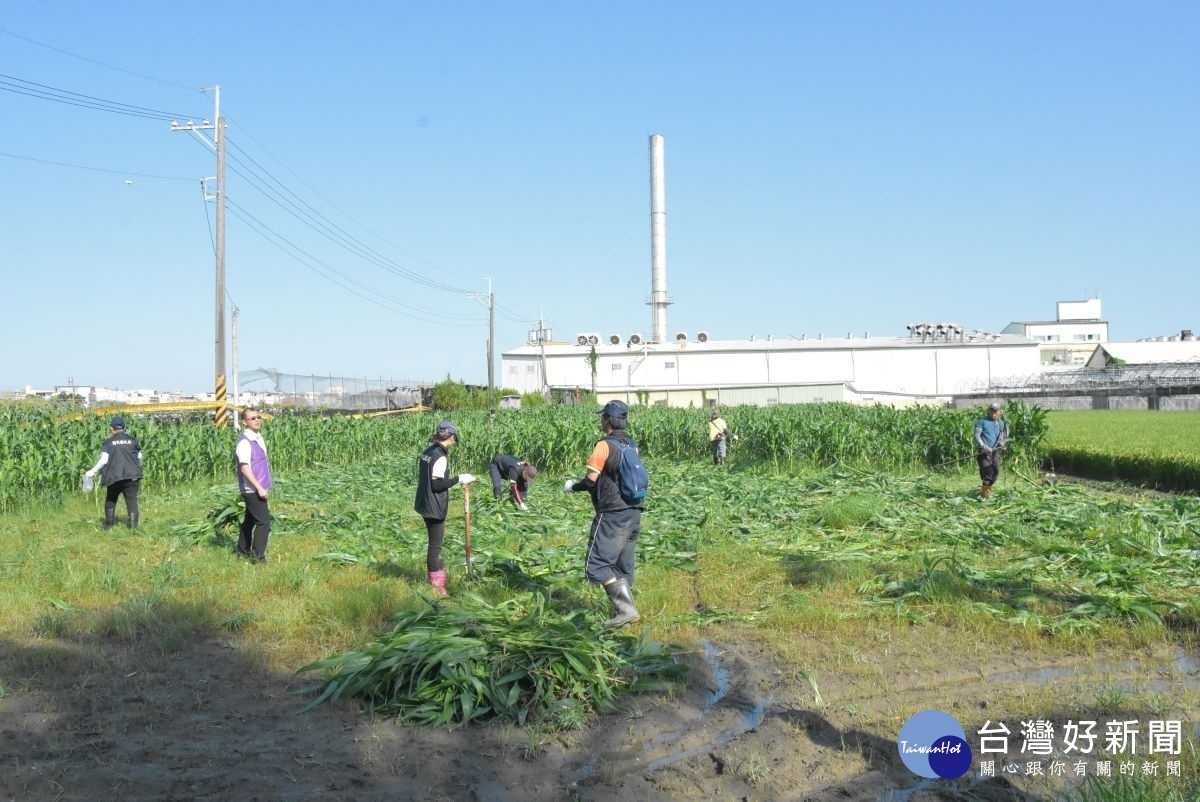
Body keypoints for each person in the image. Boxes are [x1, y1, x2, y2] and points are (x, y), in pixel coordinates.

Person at [563, 400, 644, 627]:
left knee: (596, 565)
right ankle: (626, 617)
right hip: (634, 511)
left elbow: (590, 481)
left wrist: (572, 486)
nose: (601, 421)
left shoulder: (604, 445)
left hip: (612, 514)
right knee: (622, 564)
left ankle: (626, 611)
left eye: (602, 417)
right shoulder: (631, 443)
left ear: (608, 420)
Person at [414, 421, 475, 596]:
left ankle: (434, 575)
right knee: (435, 546)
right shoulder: (440, 455)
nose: (454, 443)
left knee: (434, 544)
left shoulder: (428, 451)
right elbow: (437, 485)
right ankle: (437, 586)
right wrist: (458, 479)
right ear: (451, 437)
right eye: (454, 439)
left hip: (424, 501)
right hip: (434, 505)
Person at [85, 415, 143, 530]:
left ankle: (108, 525)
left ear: (112, 428)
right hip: (132, 476)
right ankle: (133, 527)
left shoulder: (109, 442)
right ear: (124, 427)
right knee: (131, 500)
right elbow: (140, 456)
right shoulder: (132, 440)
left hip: (115, 477)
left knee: (111, 499)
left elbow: (104, 460)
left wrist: (92, 471)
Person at [235, 408, 273, 561]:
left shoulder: (258, 437)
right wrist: (259, 488)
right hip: (252, 489)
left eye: (258, 417)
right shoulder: (244, 443)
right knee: (264, 522)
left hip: (257, 487)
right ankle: (257, 557)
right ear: (245, 422)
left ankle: (242, 551)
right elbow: (245, 469)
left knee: (250, 520)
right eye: (252, 418)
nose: (257, 420)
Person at [973, 402, 1008, 499]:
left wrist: (1001, 444)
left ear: (1000, 412)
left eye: (996, 411)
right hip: (983, 453)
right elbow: (977, 436)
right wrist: (984, 447)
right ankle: (985, 496)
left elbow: (1000, 437)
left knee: (996, 472)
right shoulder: (982, 421)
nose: (993, 413)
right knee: (987, 473)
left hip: (995, 452)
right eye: (992, 410)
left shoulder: (1001, 423)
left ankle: (987, 490)